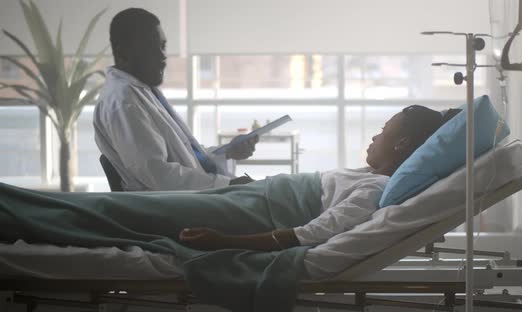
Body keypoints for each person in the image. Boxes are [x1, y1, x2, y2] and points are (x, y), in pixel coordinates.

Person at [1, 106, 458, 255]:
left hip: (250, 213)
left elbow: (310, 234)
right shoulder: (368, 176)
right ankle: (14, 209)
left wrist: (224, 239)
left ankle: (12, 214)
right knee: (115, 210)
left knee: (114, 212)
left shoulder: (377, 189)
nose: (377, 133)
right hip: (251, 197)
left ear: (402, 147)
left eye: (387, 129)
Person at [93, 8, 257, 192]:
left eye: (162, 46)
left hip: (188, 197)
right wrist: (227, 184)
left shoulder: (142, 91)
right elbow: (157, 174)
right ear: (123, 54)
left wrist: (227, 152)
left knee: (276, 192)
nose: (163, 56)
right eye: (151, 48)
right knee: (278, 195)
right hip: (174, 208)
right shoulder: (123, 101)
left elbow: (188, 156)